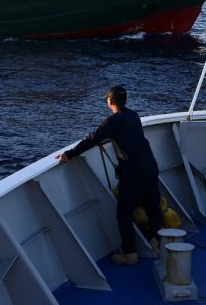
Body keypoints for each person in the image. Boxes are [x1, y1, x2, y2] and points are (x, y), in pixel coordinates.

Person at [57, 86, 162, 265]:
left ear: (110, 101)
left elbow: (92, 139)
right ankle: (156, 241)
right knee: (153, 206)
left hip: (134, 171)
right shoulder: (134, 115)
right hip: (151, 165)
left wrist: (69, 154)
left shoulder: (112, 122)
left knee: (124, 212)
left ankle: (130, 253)